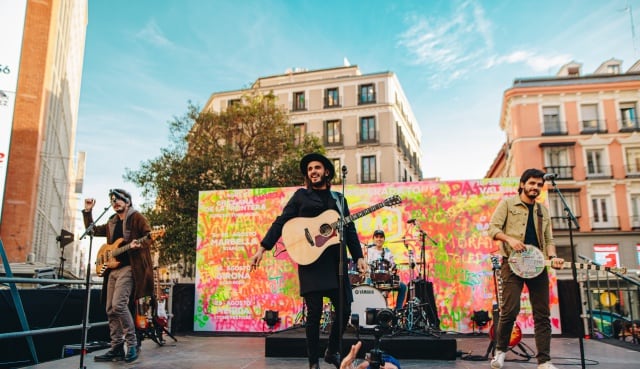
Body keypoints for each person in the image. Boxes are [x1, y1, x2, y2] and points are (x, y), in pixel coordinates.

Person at [250, 153, 367, 369]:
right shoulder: (301, 196)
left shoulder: (339, 200)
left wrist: (359, 256)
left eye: (317, 168)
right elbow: (281, 221)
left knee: (344, 309)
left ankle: (332, 351)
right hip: (310, 260)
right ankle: (313, 362)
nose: (313, 171)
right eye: (310, 169)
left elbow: (350, 230)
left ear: (327, 172)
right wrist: (263, 248)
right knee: (314, 314)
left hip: (335, 262)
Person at [488, 169, 565, 369]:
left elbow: (549, 239)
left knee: (542, 314)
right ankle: (500, 351)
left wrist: (553, 257)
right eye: (532, 183)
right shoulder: (507, 204)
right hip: (512, 264)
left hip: (537, 265)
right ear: (522, 184)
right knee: (509, 310)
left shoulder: (542, 211)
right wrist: (510, 239)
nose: (535, 188)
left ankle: (544, 361)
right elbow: (493, 229)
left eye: (539, 185)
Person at [83, 189, 154, 363]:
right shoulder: (112, 222)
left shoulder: (137, 217)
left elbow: (149, 236)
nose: (115, 202)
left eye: (119, 199)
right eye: (113, 200)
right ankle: (116, 348)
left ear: (128, 202)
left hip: (129, 268)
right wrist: (87, 212)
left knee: (119, 305)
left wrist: (139, 244)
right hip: (112, 269)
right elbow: (92, 231)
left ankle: (131, 344)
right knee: (109, 309)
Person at [367, 230, 407, 311]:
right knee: (367, 286)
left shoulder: (388, 252)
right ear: (373, 239)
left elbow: (392, 266)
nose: (379, 239)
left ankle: (398, 310)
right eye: (377, 237)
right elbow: (367, 267)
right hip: (373, 278)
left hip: (386, 279)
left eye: (381, 237)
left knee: (403, 287)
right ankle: (370, 311)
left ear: (384, 239)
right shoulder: (369, 251)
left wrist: (394, 269)